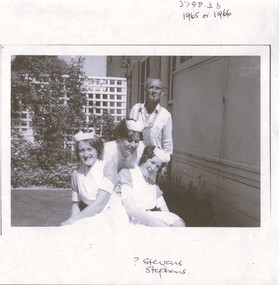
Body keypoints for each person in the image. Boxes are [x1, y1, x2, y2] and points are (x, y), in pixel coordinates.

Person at [61, 130, 128, 226]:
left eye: (89, 149)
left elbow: (100, 203)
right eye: (82, 150)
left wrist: (73, 221)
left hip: (113, 218)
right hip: (91, 217)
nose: (86, 154)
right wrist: (70, 223)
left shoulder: (109, 167)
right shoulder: (76, 174)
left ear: (97, 151)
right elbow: (76, 205)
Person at [118, 145, 186, 227]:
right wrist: (156, 223)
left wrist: (171, 224)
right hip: (130, 219)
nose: (153, 168)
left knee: (179, 223)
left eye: (157, 166)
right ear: (144, 158)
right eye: (152, 162)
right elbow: (130, 209)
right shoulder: (128, 173)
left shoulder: (152, 185)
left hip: (148, 218)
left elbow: (166, 213)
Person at [130, 78, 173, 157]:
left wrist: (165, 165)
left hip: (153, 161)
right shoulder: (136, 109)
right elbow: (127, 135)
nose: (154, 91)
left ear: (162, 93)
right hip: (134, 157)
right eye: (151, 87)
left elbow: (167, 144)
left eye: (158, 88)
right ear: (145, 91)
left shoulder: (165, 115)